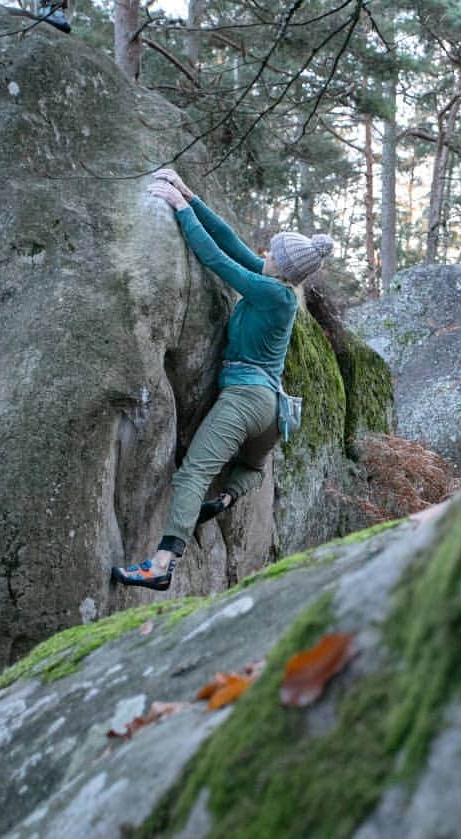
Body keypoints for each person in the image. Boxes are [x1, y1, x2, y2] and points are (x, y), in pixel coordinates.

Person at [110, 169, 334, 590]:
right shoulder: (279, 284)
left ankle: (161, 564)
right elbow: (230, 241)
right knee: (251, 465)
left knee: (193, 472)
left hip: (245, 400)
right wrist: (190, 195)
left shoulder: (270, 292)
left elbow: (215, 259)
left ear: (280, 264)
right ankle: (228, 497)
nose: (263, 250)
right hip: (272, 413)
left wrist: (178, 209)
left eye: (271, 250)